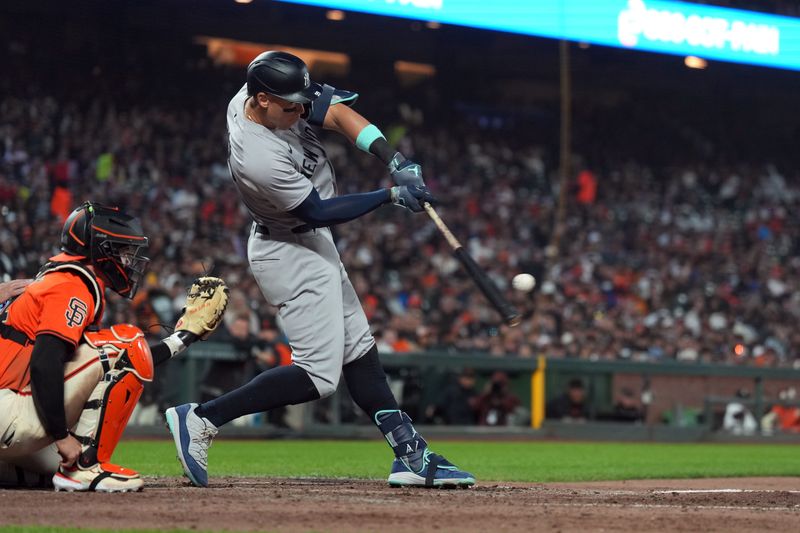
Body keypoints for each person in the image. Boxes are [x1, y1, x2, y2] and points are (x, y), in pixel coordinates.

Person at [165, 50, 474, 488]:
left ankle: (409, 453)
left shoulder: (269, 99)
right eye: (290, 106)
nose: (301, 112)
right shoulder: (257, 155)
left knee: (359, 351)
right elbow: (316, 211)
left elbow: (340, 114)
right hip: (288, 248)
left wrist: (394, 158)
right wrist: (388, 196)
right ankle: (201, 418)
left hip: (309, 242)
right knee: (318, 376)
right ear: (262, 100)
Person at [0, 202, 227, 491]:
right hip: (9, 411)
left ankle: (37, 467)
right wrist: (61, 436)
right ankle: (86, 467)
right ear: (101, 250)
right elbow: (46, 362)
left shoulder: (55, 278)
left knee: (51, 470)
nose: (128, 261)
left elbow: (113, 362)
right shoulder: (71, 284)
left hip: (6, 410)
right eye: (121, 250)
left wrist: (182, 339)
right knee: (129, 339)